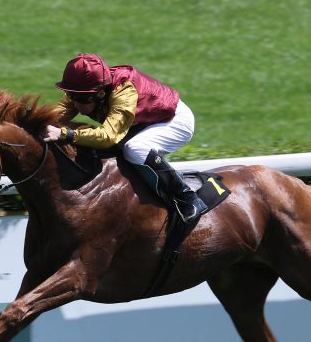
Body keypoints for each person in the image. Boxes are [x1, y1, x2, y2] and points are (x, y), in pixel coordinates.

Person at [42, 53, 207, 222]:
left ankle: (187, 198)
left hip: (173, 120)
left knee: (134, 149)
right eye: (71, 96)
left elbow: (108, 136)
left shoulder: (123, 92)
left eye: (82, 99)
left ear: (100, 92)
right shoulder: (86, 89)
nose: (76, 104)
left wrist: (65, 133)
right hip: (141, 122)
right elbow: (54, 115)